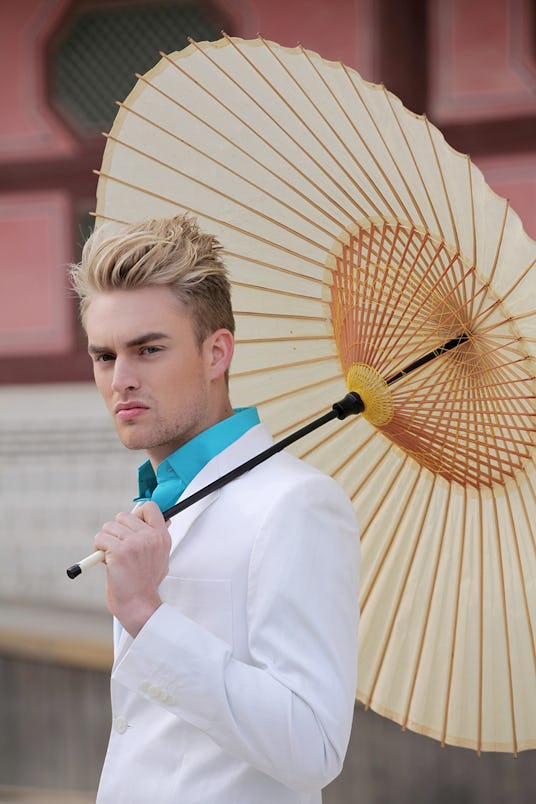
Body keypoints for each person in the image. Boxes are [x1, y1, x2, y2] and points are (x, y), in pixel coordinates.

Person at [70, 214, 360, 804]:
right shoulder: (158, 500)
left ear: (216, 353)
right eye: (104, 356)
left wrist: (149, 617)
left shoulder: (294, 504)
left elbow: (314, 748)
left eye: (148, 349)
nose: (121, 379)